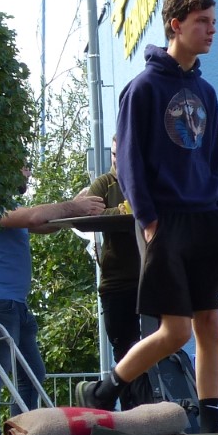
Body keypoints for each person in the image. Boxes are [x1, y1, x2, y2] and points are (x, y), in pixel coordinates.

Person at [76, 0, 218, 435]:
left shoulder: (206, 91)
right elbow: (128, 163)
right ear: (176, 24)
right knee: (177, 331)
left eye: (214, 22)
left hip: (208, 220)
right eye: (202, 21)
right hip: (165, 222)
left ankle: (211, 424)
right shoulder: (142, 89)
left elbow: (214, 156)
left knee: (210, 324)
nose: (211, 30)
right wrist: (149, 222)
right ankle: (105, 388)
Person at [0, 166, 103, 435]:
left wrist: (75, 209)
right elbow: (34, 216)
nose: (28, 174)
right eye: (24, 168)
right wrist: (73, 205)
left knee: (32, 374)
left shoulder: (8, 206)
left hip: (13, 304)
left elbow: (44, 225)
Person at [81, 141, 143, 393]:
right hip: (117, 282)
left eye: (122, 153)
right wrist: (122, 211)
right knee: (124, 352)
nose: (117, 159)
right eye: (114, 154)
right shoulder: (104, 183)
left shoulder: (148, 179)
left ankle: (154, 407)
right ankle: (127, 408)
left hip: (151, 280)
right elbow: (87, 215)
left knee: (156, 348)